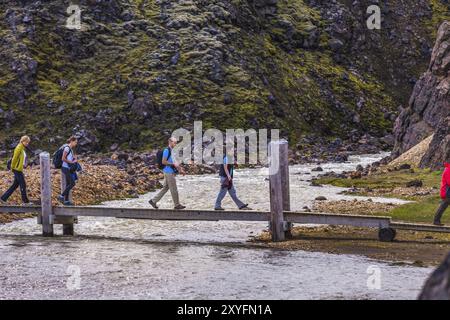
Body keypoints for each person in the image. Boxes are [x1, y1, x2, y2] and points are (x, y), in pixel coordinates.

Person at [149, 137, 186, 210]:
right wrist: (173, 165)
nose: (175, 144)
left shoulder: (172, 151)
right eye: (174, 142)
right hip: (168, 172)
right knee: (174, 189)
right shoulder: (166, 150)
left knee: (165, 188)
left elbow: (175, 162)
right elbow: (164, 162)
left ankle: (153, 201)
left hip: (170, 171)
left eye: (176, 143)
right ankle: (177, 205)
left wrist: (180, 169)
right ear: (170, 142)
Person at [0, 136, 32, 205]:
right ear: (23, 141)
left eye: (28, 142)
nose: (27, 143)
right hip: (16, 169)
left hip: (19, 169)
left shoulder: (22, 148)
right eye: (26, 142)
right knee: (23, 184)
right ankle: (25, 202)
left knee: (15, 185)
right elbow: (14, 159)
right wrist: (12, 168)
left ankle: (3, 198)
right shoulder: (18, 148)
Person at [57, 136, 78, 206]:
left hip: (67, 168)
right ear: (71, 141)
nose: (76, 144)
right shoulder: (67, 148)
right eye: (75, 142)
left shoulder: (71, 149)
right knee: (72, 183)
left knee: (68, 184)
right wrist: (71, 162)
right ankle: (61, 196)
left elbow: (69, 158)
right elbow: (63, 158)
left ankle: (66, 201)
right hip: (65, 168)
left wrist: (74, 159)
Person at [433, 161, 450, 226]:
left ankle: (436, 220)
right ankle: (436, 221)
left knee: (442, 206)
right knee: (442, 206)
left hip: (447, 192)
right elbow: (449, 182)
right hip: (447, 192)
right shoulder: (448, 170)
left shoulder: (448, 169)